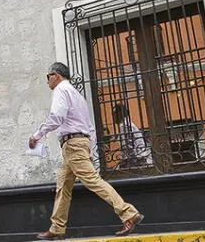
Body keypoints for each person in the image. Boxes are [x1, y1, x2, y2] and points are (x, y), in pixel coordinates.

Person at [29, 62, 144, 240]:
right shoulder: (77, 95)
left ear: (57, 76)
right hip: (77, 145)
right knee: (63, 186)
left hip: (73, 145)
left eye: (48, 76)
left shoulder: (60, 90)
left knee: (92, 181)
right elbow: (89, 126)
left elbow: (56, 116)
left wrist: (37, 135)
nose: (47, 81)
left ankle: (128, 213)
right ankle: (57, 228)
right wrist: (88, 147)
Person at [112, 103, 153, 167]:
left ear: (120, 114)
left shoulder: (124, 126)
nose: (113, 117)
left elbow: (128, 146)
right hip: (139, 157)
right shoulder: (127, 123)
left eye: (114, 114)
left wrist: (128, 161)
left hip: (137, 160)